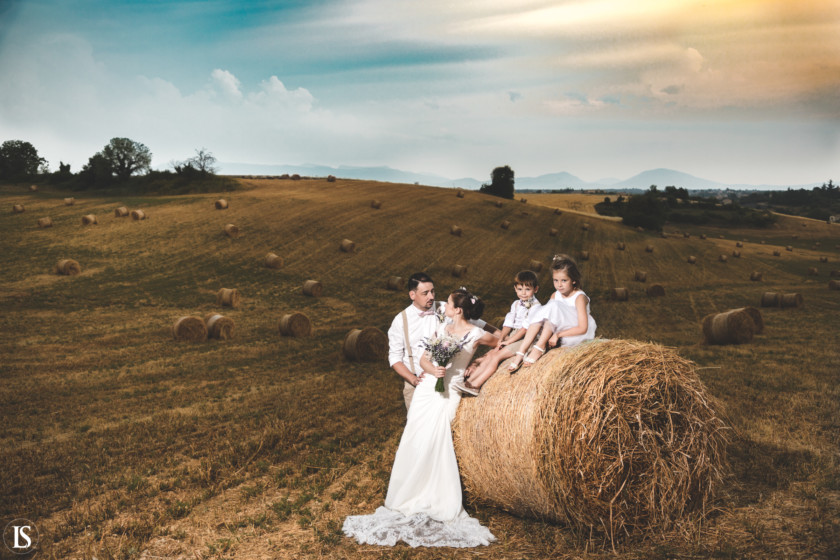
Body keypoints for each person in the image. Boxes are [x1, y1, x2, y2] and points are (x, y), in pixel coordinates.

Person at [343, 288, 498, 548]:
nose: (444, 306)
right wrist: (433, 370)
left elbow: (501, 341)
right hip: (427, 390)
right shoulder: (443, 330)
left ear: (458, 309)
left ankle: (439, 499)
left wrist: (479, 363)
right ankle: (406, 496)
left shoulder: (477, 334)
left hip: (449, 393)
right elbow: (425, 360)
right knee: (415, 438)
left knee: (437, 441)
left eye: (448, 303)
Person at [387, 272, 490, 411]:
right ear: (412, 295)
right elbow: (394, 358)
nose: (432, 296)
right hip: (417, 383)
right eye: (425, 293)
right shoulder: (400, 321)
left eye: (432, 291)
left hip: (448, 381)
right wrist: (413, 379)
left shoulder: (445, 308)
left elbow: (477, 323)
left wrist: (506, 336)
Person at [453, 270, 541, 396]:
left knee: (496, 356)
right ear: (515, 289)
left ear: (536, 289)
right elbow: (508, 323)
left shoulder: (536, 307)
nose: (523, 293)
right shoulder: (516, 304)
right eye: (520, 289)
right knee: (490, 354)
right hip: (514, 335)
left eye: (527, 289)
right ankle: (468, 382)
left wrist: (509, 341)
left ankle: (476, 385)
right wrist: (502, 337)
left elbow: (525, 329)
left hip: (527, 339)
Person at [506, 254, 596, 371]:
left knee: (553, 306)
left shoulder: (579, 297)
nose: (559, 285)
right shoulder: (555, 294)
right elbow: (544, 317)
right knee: (543, 312)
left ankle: (539, 347)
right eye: (555, 280)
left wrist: (557, 335)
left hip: (575, 333)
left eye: (564, 280)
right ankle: (520, 354)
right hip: (556, 327)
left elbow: (582, 328)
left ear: (573, 280)